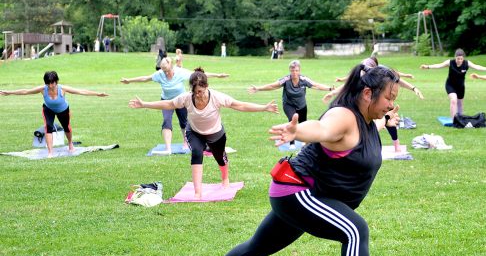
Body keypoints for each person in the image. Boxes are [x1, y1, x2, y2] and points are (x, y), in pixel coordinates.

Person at [196, 64, 402, 256]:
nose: (390, 104)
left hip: (299, 192)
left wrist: (386, 120)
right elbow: (322, 129)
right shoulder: (344, 117)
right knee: (355, 230)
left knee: (259, 245)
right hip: (298, 190)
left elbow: (366, 133)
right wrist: (297, 131)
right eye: (389, 98)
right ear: (367, 93)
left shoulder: (367, 121)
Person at [128, 68, 279, 199]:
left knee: (220, 157)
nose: (198, 95)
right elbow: (169, 104)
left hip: (215, 133)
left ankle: (225, 178)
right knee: (197, 153)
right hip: (194, 132)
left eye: (200, 91)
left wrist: (263, 108)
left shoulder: (217, 97)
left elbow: (239, 105)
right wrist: (144, 104)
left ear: (207, 86)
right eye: (195, 92)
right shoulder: (187, 98)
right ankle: (197, 192)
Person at [120, 57, 229, 154]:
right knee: (166, 121)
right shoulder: (159, 74)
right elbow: (145, 78)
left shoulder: (180, 72)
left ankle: (186, 145)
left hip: (181, 101)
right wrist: (129, 81)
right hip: (166, 101)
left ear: (171, 66)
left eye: (167, 70)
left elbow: (198, 75)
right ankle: (168, 148)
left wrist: (218, 75)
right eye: (163, 70)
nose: (165, 73)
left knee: (184, 123)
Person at [324, 56, 423, 151]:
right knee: (379, 123)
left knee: (387, 121)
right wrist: (334, 90)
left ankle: (396, 143)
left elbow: (396, 77)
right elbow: (350, 81)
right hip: (358, 115)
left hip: (373, 108)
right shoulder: (346, 111)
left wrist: (413, 87)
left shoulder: (380, 75)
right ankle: (395, 142)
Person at [0, 71, 108, 157]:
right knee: (48, 127)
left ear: (56, 81)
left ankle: (70, 144)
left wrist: (97, 94)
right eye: (48, 83)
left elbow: (81, 91)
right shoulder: (43, 89)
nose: (50, 85)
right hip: (48, 109)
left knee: (67, 127)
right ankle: (50, 152)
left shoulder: (63, 89)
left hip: (63, 110)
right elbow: (26, 91)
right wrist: (9, 92)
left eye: (52, 83)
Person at [248, 60, 334, 124]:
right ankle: (291, 142)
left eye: (296, 70)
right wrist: (258, 88)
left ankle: (303, 141)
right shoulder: (286, 79)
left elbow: (317, 85)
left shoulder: (304, 80)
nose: (294, 73)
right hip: (288, 104)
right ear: (290, 71)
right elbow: (272, 86)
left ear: (299, 71)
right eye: (292, 71)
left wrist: (329, 89)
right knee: (292, 119)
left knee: (303, 123)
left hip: (301, 105)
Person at [421, 49, 486, 118]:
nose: (460, 60)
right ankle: (454, 121)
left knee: (460, 104)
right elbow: (438, 65)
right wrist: (427, 67)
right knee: (453, 100)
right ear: (455, 57)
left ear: (463, 58)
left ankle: (460, 119)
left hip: (460, 87)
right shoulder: (450, 62)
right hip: (450, 85)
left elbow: (477, 67)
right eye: (458, 59)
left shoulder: (466, 63)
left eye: (461, 59)